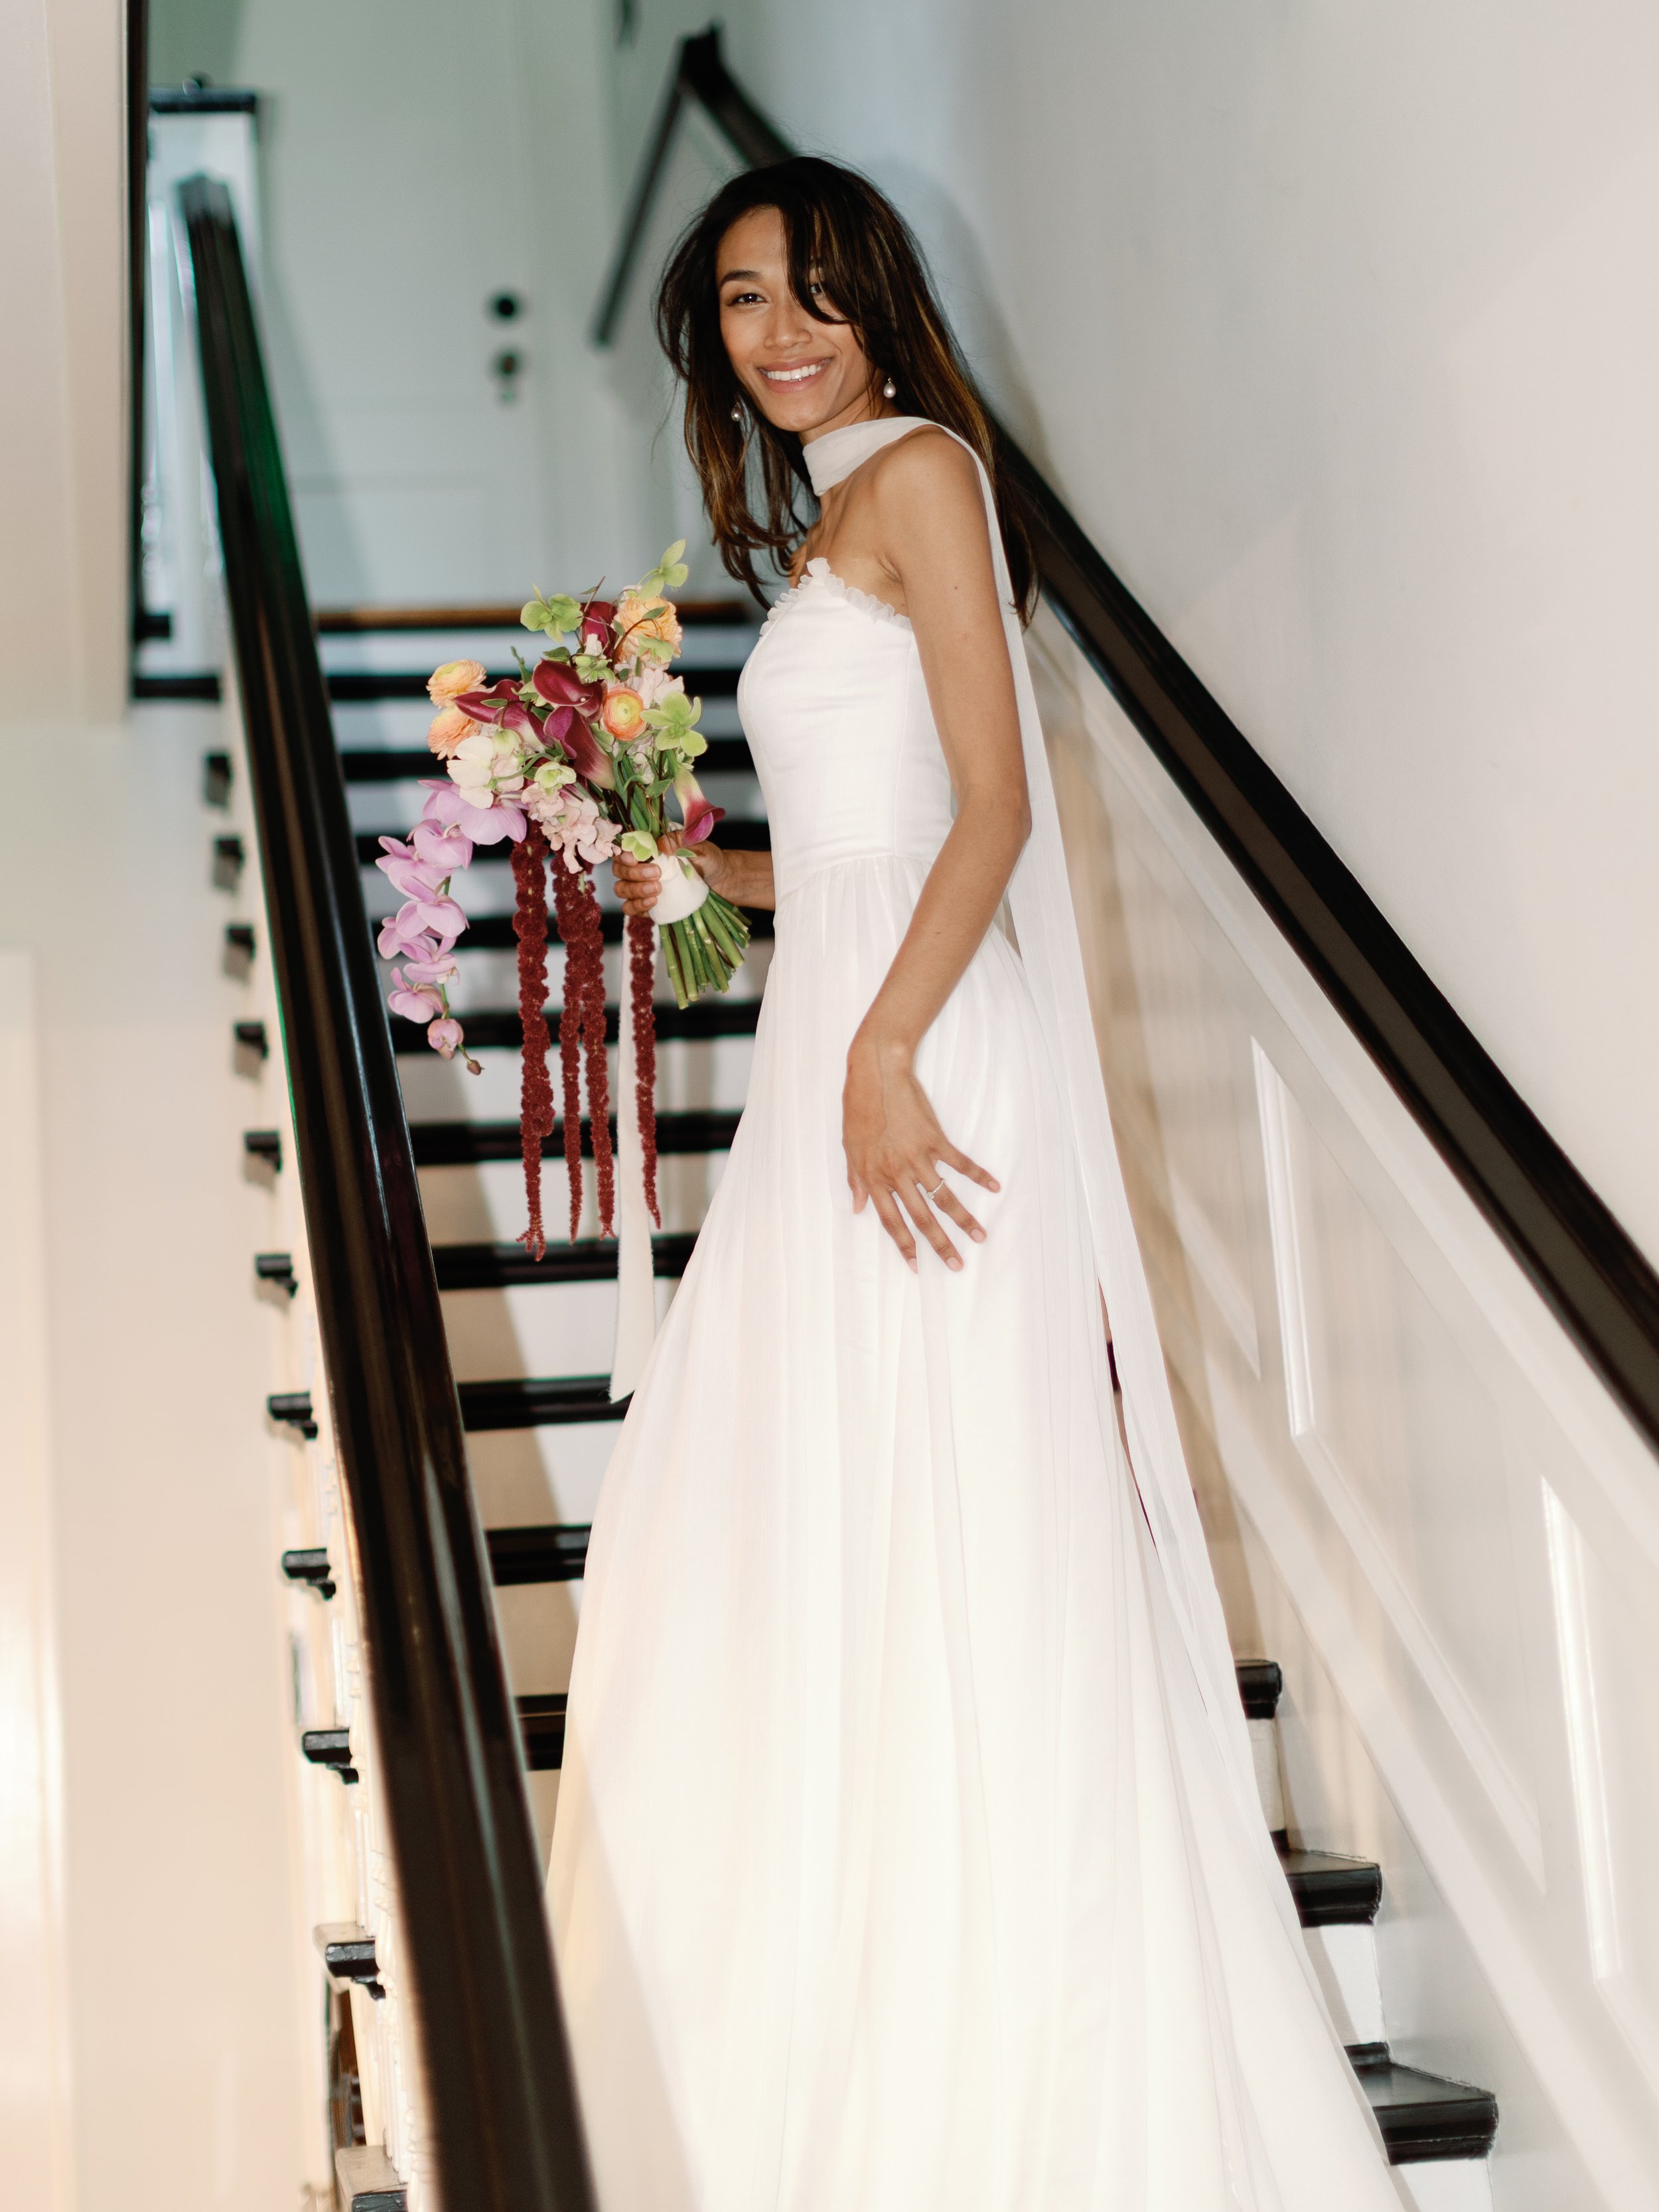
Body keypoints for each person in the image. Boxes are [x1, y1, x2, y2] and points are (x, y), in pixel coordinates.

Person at [546, 157, 1400, 2211]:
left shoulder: (921, 467)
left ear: (880, 304)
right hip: (856, 1025)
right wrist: (676, 868)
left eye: (814, 292)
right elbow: (860, 846)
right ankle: (851, 1989)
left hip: (915, 1060)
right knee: (806, 1497)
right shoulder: (834, 512)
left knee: (953, 1513)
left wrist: (882, 1050)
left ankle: (1006, 2035)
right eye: (743, 300)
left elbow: (996, 809)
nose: (777, 332)